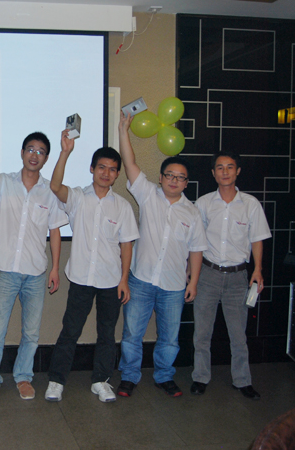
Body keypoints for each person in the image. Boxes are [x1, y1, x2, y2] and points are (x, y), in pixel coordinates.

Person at [0, 132, 68, 405]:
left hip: (36, 272)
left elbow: (55, 231)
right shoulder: (3, 182)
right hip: (5, 270)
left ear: (46, 158)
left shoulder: (50, 191)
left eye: (40, 151)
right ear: (22, 152)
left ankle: (23, 377)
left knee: (31, 333)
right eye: (30, 149)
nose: (34, 155)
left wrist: (55, 268)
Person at [116, 112, 208, 398]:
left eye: (180, 178)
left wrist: (193, 283)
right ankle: (129, 376)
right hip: (141, 280)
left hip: (173, 285)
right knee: (132, 334)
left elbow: (196, 250)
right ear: (161, 177)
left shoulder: (192, 213)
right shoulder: (147, 194)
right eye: (170, 175)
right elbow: (130, 164)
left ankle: (164, 376)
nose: (174, 180)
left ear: (186, 183)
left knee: (169, 338)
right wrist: (123, 131)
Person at [44, 131, 139, 403]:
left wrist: (124, 279)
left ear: (117, 174)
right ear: (92, 169)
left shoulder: (122, 207)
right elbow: (55, 186)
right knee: (70, 331)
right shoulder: (77, 197)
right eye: (101, 167)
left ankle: (101, 381)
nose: (106, 173)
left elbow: (127, 245)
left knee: (107, 334)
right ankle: (56, 381)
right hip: (81, 278)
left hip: (111, 280)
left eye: (112, 169)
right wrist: (65, 152)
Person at [190, 151, 271, 400]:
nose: (225, 172)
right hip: (208, 273)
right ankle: (200, 377)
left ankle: (242, 380)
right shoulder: (203, 203)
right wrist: (191, 273)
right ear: (213, 173)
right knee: (202, 332)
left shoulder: (250, 204)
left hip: (238, 277)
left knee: (238, 335)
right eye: (220, 167)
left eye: (230, 167)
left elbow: (257, 239)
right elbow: (195, 242)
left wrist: (257, 269)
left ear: (238, 171)